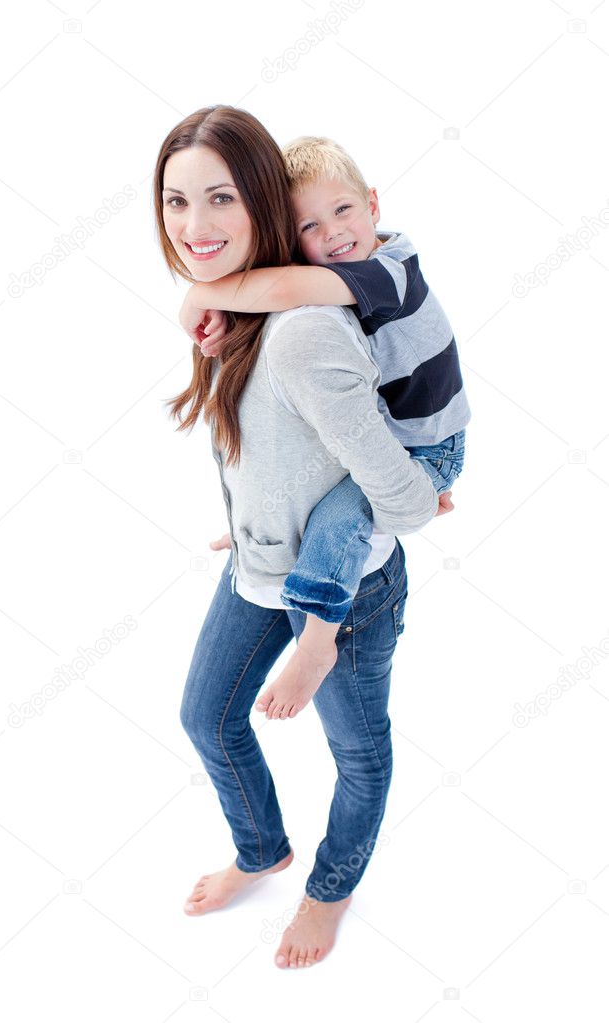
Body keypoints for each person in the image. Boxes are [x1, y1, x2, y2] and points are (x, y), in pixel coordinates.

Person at [155, 105, 450, 970]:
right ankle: (262, 850)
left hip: (348, 587)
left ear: (260, 206)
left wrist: (427, 489)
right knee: (208, 716)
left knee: (358, 755)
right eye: (176, 201)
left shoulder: (308, 326)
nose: (195, 225)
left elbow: (397, 500)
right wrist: (256, 513)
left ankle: (330, 889)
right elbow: (283, 441)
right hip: (260, 562)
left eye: (220, 198)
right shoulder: (241, 307)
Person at [178, 135, 469, 720]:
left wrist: (201, 289)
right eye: (309, 226)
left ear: (374, 204)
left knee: (341, 518)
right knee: (340, 503)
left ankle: (316, 644)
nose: (333, 233)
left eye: (343, 210)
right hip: (395, 436)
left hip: (429, 442)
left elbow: (284, 287)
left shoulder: (390, 270)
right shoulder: (331, 290)